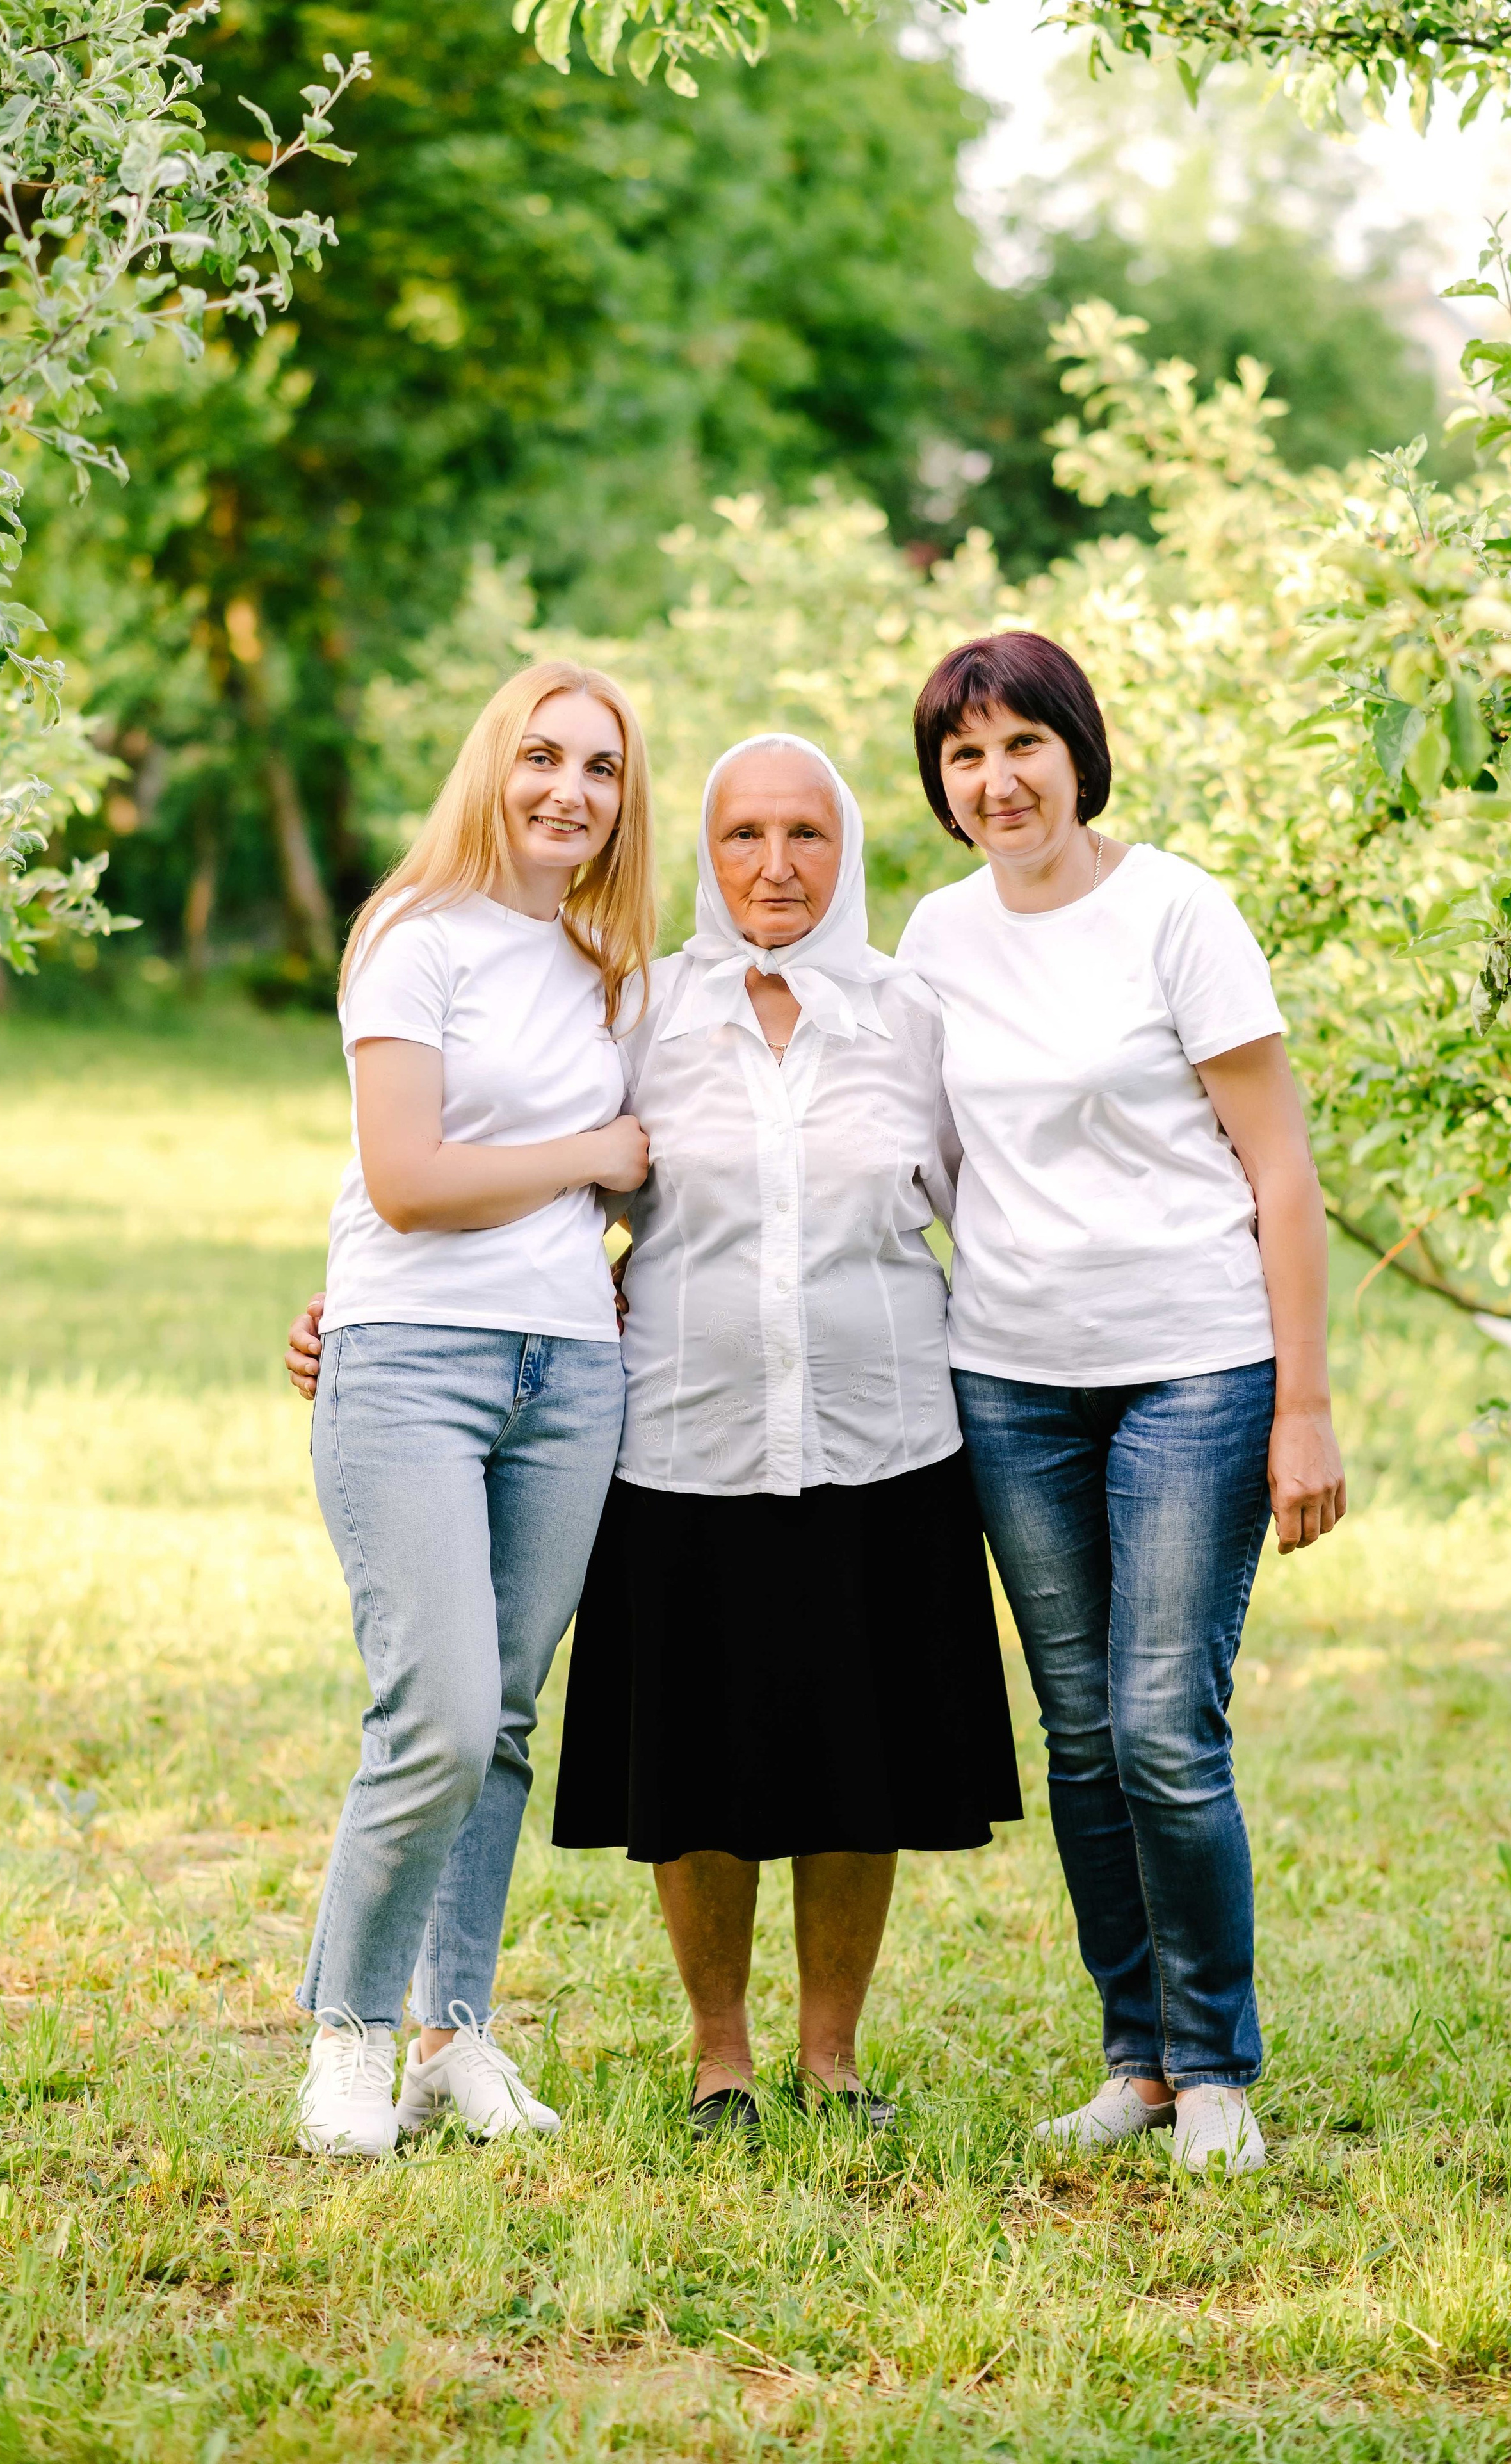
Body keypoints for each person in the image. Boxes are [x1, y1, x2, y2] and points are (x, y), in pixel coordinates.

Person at [897, 632, 1346, 2176]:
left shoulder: (1176, 909)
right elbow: (912, 1161)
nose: (995, 778)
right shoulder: (935, 940)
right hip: (1011, 1377)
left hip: (1193, 1366)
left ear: (1077, 751)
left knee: (1163, 1723)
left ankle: (1218, 2065)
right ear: (941, 787)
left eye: (1021, 743)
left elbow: (1278, 1170)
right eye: (963, 756)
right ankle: (1136, 2059)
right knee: (1078, 1731)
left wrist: (1304, 1404)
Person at [551, 733, 1022, 2140]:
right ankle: (719, 2059)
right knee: (694, 1766)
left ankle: (830, 2059)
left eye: (804, 835)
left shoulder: (910, 1016)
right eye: (743, 834)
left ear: (849, 848)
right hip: (682, 1444)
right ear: (704, 850)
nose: (774, 865)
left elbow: (987, 1205)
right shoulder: (641, 1014)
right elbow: (549, 1192)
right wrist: (367, 1304)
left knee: (853, 1759)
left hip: (882, 1443)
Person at [289, 659, 656, 2158]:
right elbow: (407, 1178)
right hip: (415, 1366)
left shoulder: (605, 967)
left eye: (604, 769)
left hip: (567, 1372)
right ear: (491, 768)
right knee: (430, 1710)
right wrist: (590, 1153)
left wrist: (607, 1231)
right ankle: (348, 2032)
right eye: (543, 756)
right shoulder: (410, 935)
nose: (570, 790)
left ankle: (455, 2030)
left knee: (501, 1717)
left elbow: (650, 1177)